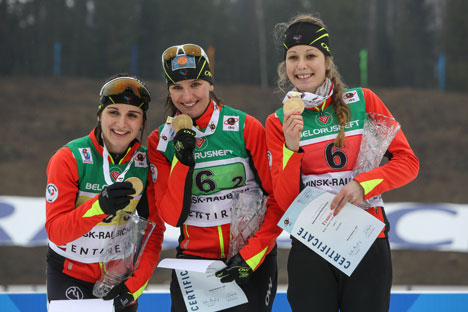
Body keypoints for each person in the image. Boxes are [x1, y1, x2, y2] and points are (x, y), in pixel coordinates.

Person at [265, 14, 419, 312]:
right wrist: (290, 146)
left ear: (327, 61)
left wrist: (363, 185)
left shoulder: (364, 101)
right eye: (292, 57)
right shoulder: (277, 121)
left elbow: (408, 162)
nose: (301, 65)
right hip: (311, 242)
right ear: (284, 66)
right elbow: (284, 200)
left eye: (311, 55)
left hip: (365, 237)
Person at [147, 44, 283, 311]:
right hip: (194, 263)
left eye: (195, 83)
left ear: (210, 83)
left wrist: (251, 257)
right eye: (177, 87)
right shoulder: (159, 142)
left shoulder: (245, 127)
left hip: (248, 259)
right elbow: (173, 217)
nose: (187, 96)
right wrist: (182, 162)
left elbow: (277, 199)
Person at [45, 74, 165, 311]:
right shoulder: (70, 157)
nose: (121, 124)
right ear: (99, 115)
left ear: (142, 123)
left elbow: (154, 232)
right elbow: (56, 232)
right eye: (113, 112)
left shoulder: (146, 164)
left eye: (132, 115)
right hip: (70, 274)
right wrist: (99, 207)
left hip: (118, 277)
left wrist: (135, 284)